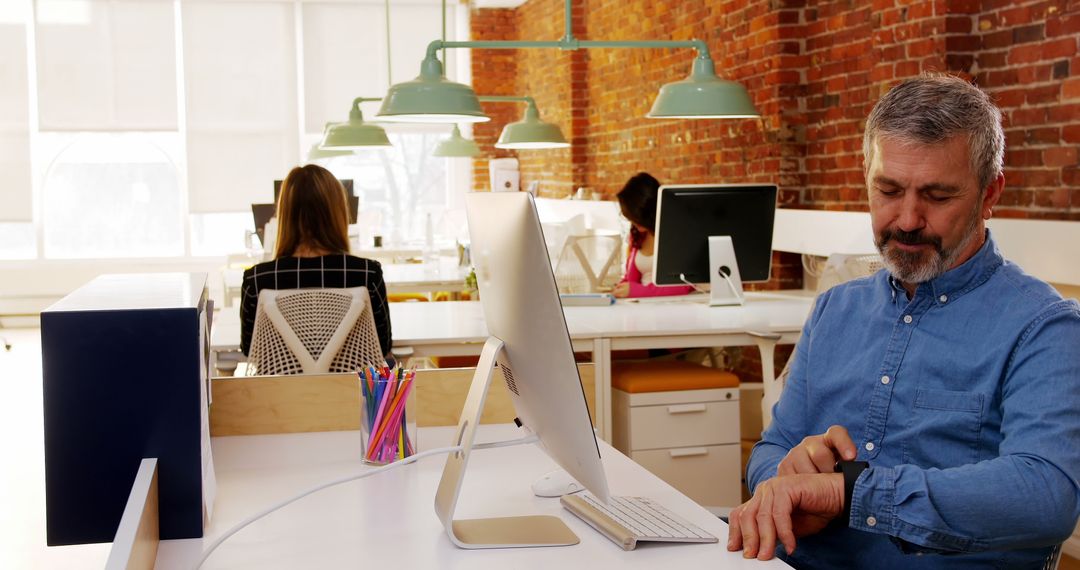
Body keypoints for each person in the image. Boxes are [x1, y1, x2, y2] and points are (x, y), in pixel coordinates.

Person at [728, 74, 1080, 568]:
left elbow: (1047, 495)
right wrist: (783, 475)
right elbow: (772, 449)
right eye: (888, 190)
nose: (908, 219)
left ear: (989, 193)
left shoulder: (1044, 327)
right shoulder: (836, 309)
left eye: (937, 196)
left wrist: (850, 494)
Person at [239, 164, 392, 362]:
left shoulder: (257, 279)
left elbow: (250, 349)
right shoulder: (367, 273)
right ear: (338, 213)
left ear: (284, 215)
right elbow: (383, 345)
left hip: (281, 391)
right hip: (350, 390)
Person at [611, 172, 695, 298]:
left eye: (636, 217)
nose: (633, 222)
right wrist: (621, 288)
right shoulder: (638, 233)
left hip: (674, 306)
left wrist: (637, 291)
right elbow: (631, 280)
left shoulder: (676, 234)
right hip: (642, 306)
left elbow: (684, 285)